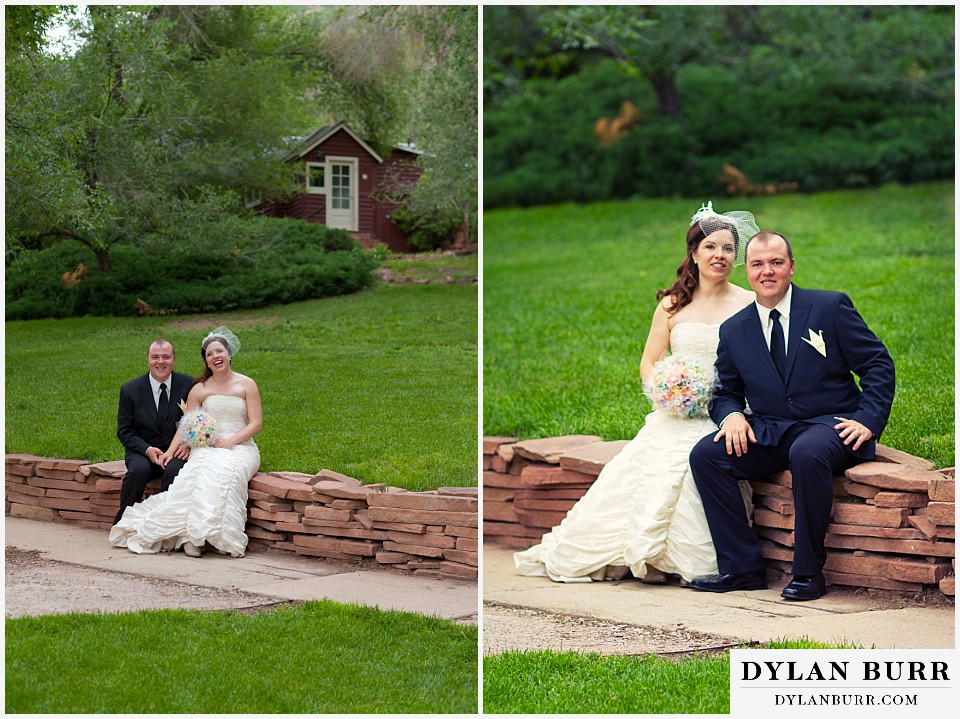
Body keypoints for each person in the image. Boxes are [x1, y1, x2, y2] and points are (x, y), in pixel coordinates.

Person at [514, 202, 760, 583]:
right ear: (694, 253)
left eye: (728, 248)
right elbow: (650, 361)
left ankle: (677, 561)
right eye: (711, 246)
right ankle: (628, 553)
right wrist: (667, 392)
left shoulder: (748, 304)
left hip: (725, 412)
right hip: (676, 413)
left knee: (693, 469)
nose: (720, 255)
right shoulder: (672, 305)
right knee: (642, 469)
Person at [689, 231, 895, 600]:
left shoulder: (829, 308)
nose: (767, 271)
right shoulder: (735, 329)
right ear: (748, 272)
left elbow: (877, 364)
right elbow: (725, 391)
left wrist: (868, 418)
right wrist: (732, 415)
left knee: (807, 451)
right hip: (773, 431)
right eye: (757, 264)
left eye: (776, 262)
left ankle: (808, 574)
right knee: (707, 455)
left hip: (831, 426)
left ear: (791, 266)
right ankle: (742, 568)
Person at [109, 326, 262, 558]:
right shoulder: (200, 388)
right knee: (197, 474)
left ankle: (215, 535)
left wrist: (230, 441)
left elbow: (256, 424)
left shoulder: (247, 384)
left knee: (228, 474)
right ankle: (191, 537)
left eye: (219, 351)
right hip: (208, 447)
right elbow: (187, 426)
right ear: (206, 360)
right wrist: (170, 452)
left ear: (229, 354)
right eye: (210, 354)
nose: (215, 357)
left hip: (240, 447)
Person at [114, 339, 193, 525]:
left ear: (174, 359)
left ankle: (164, 524)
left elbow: (198, 419)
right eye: (155, 357)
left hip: (175, 451)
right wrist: (147, 449)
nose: (161, 362)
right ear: (148, 360)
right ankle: (123, 522)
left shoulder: (189, 385)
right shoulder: (130, 390)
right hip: (143, 450)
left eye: (166, 357)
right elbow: (125, 431)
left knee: (175, 471)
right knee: (137, 471)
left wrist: (188, 444)